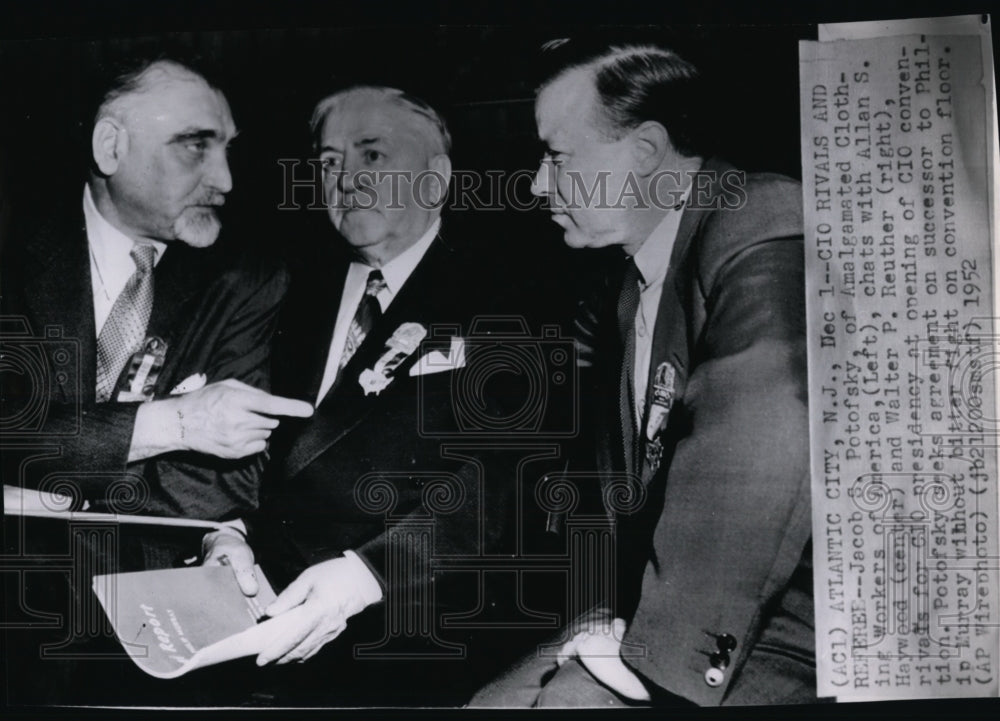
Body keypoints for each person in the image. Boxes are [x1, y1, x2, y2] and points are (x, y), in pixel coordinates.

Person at [470, 39, 813, 707]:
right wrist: (606, 621)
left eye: (558, 157)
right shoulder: (625, 289)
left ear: (646, 151)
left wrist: (656, 655)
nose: (539, 183)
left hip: (797, 620)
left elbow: (765, 439)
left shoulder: (758, 214)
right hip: (678, 603)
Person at [201, 86, 535, 705]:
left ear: (435, 180)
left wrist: (369, 573)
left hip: (407, 645)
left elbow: (507, 479)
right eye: (329, 163)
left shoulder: (511, 295)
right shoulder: (281, 288)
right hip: (255, 635)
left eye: (372, 156)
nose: (346, 179)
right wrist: (227, 532)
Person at [0, 57, 313, 705]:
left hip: (149, 625)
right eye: (195, 146)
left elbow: (226, 482)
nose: (224, 179)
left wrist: (44, 483)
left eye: (227, 149)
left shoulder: (249, 276)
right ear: (110, 146)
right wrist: (178, 422)